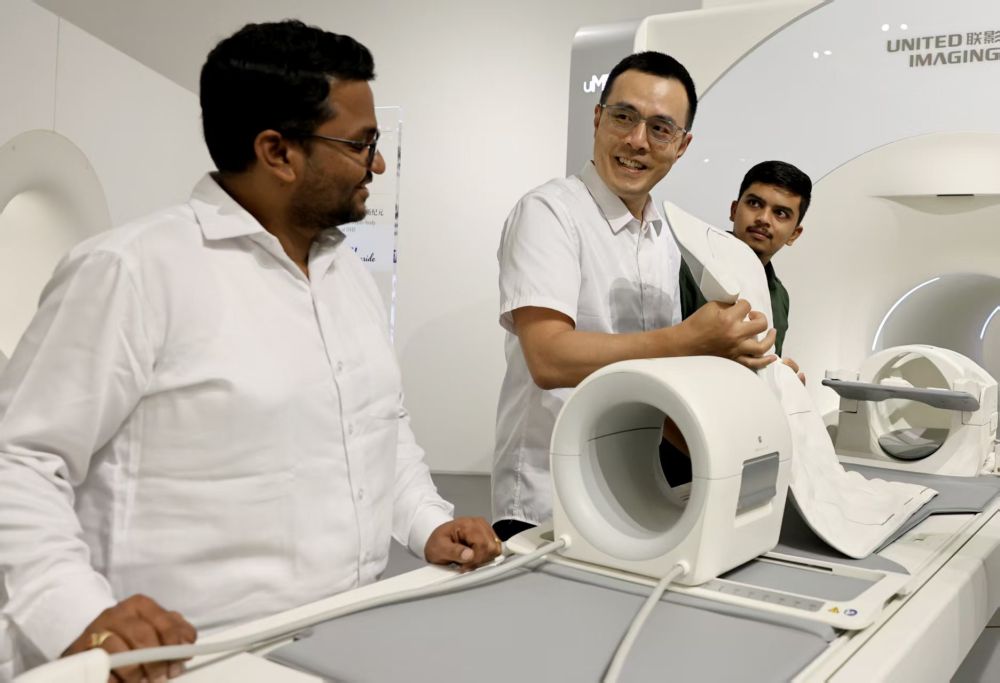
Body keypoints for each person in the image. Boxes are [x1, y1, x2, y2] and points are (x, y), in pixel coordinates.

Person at [0, 20, 499, 681]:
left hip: (344, 638)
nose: (377, 164)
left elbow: (378, 424)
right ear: (277, 152)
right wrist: (77, 614)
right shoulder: (131, 271)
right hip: (187, 659)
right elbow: (20, 459)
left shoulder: (345, 274)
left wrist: (426, 521)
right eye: (362, 144)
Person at [492, 51, 776, 541]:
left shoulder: (664, 238)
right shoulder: (549, 213)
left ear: (682, 145)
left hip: (632, 495)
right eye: (624, 117)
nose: (637, 141)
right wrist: (690, 340)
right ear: (598, 118)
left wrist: (757, 401)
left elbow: (655, 382)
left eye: (660, 128)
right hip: (546, 500)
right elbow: (548, 358)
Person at [679, 160, 812, 360]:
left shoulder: (780, 296)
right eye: (754, 203)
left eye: (780, 213)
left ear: (794, 234)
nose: (763, 219)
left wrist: (782, 374)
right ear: (734, 211)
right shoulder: (688, 265)